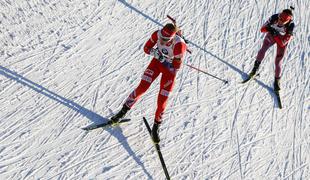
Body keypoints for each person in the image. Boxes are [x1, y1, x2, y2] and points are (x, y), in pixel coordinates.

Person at [110, 23, 187, 143]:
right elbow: (146, 48)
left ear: (171, 39)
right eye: (161, 36)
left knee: (162, 100)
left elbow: (176, 68)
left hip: (169, 71)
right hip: (156, 64)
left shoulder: (179, 45)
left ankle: (156, 127)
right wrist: (155, 53)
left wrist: (166, 61)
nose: (160, 40)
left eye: (165, 39)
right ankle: (122, 112)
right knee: (141, 88)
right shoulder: (157, 34)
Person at [248, 7, 295, 91]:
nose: (280, 21)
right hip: (273, 35)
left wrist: (275, 34)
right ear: (279, 15)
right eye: (280, 18)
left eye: (283, 21)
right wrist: (269, 29)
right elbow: (262, 29)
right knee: (262, 50)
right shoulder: (274, 17)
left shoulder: (290, 25)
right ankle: (255, 68)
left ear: (287, 21)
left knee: (278, 61)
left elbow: (282, 43)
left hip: (281, 39)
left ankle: (277, 81)